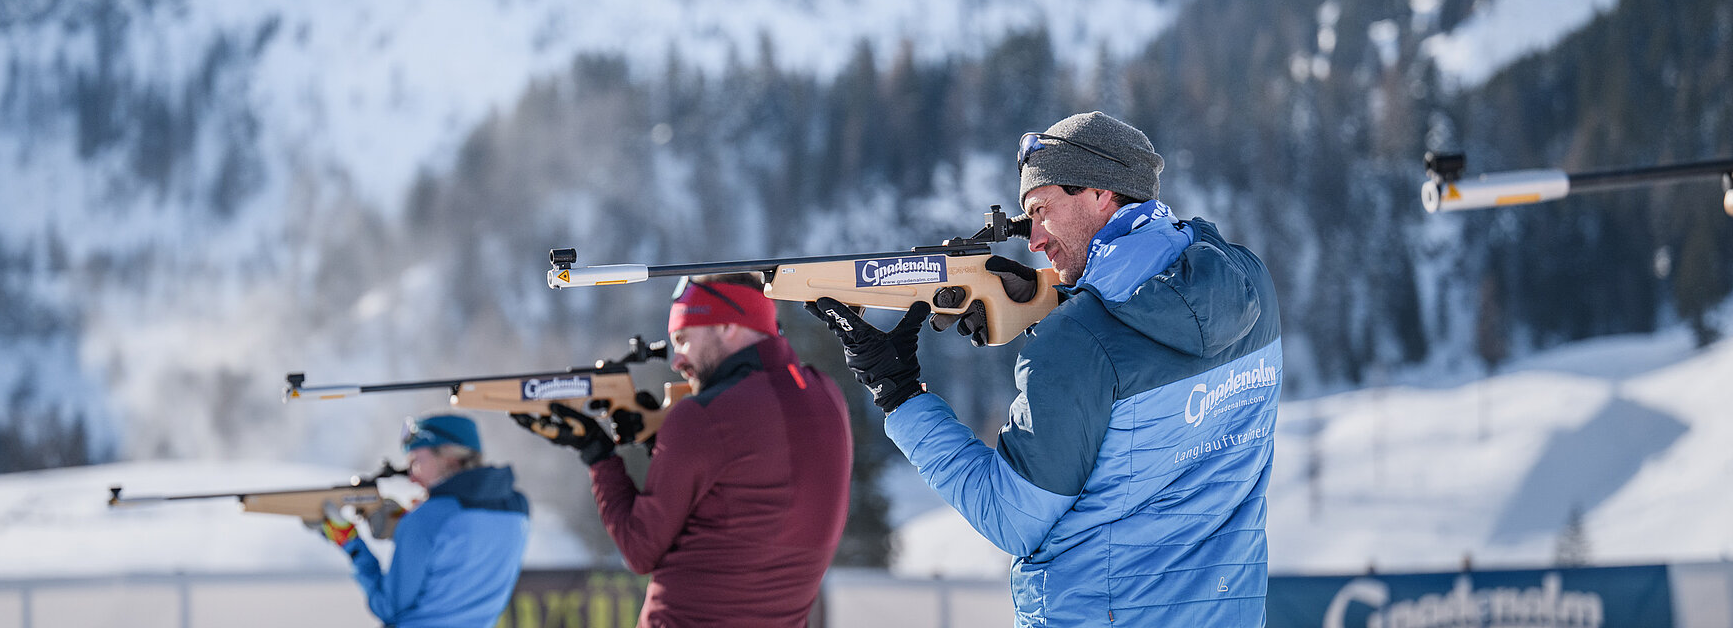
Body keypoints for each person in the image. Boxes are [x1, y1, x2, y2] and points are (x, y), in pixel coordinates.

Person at [808, 111, 1284, 626]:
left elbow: (1011, 517)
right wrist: (1061, 298)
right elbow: (1147, 327)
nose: (1032, 239)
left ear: (1101, 193)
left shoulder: (1072, 346)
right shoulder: (1249, 286)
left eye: (1041, 210)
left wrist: (899, 392)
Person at [516, 274, 852, 627]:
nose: (677, 360)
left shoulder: (701, 417)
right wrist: (657, 443)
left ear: (726, 325)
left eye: (683, 339)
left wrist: (597, 452)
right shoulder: (825, 393)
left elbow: (638, 548)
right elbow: (744, 485)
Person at [317, 413, 530, 628]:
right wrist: (407, 524)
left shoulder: (426, 519)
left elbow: (386, 606)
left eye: (416, 461)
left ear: (449, 458)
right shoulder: (518, 508)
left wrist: (351, 543)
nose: (411, 476)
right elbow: (461, 544)